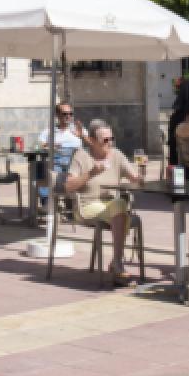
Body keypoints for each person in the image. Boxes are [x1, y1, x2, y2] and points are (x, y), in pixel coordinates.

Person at [65, 119, 143, 284]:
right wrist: (91, 173)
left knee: (120, 204)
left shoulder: (117, 155)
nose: (110, 143)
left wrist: (141, 173)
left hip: (111, 205)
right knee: (120, 206)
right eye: (105, 140)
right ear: (92, 141)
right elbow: (68, 186)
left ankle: (116, 262)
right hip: (87, 206)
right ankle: (118, 263)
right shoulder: (82, 155)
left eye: (112, 139)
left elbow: (135, 179)